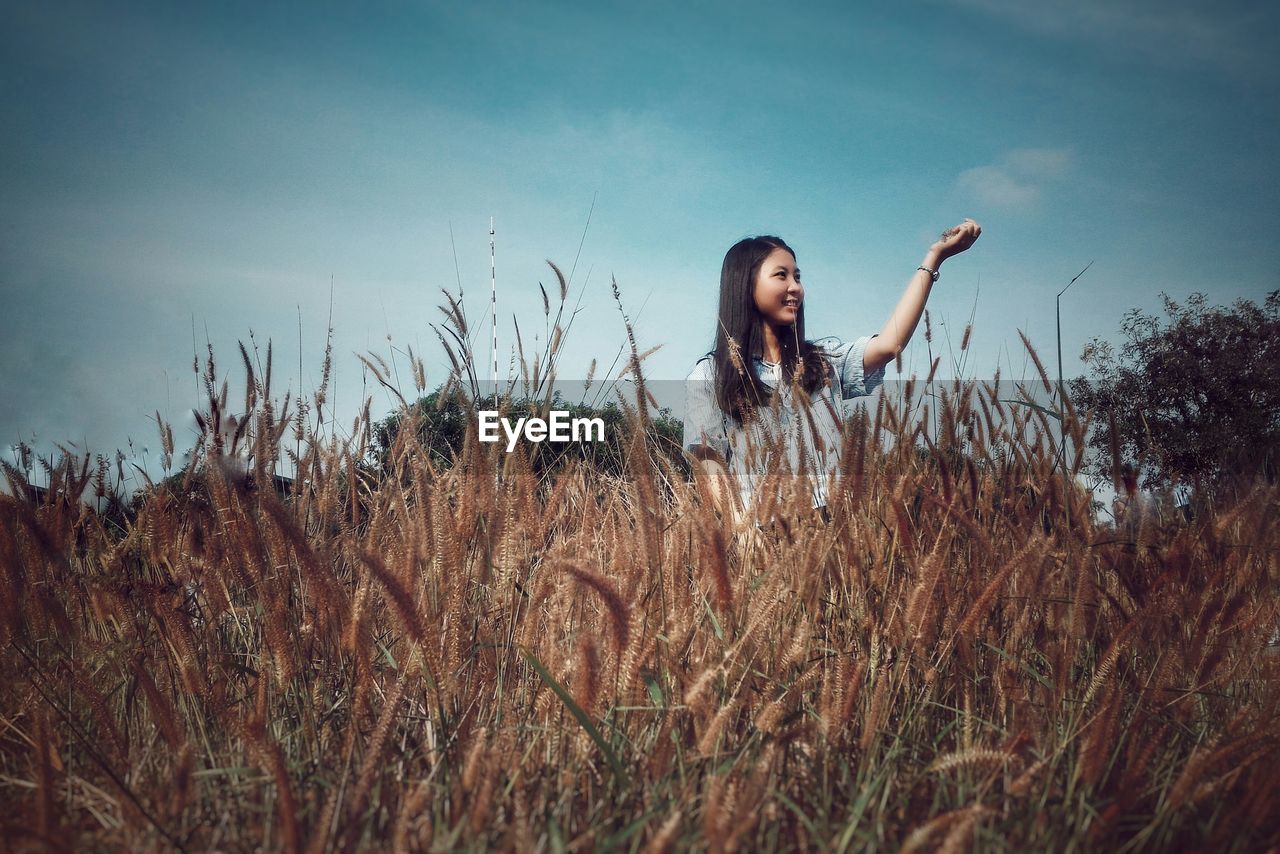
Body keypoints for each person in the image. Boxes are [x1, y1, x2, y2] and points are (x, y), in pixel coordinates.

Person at [683, 220, 981, 518]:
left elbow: (890, 344)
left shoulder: (823, 363)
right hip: (760, 537)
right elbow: (708, 465)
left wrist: (934, 258)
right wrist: (743, 529)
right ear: (745, 285)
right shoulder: (710, 377)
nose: (795, 287)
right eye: (781, 275)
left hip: (832, 532)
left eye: (797, 276)